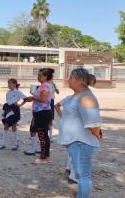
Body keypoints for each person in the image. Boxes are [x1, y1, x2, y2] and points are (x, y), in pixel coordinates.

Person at [58, 68, 101, 198]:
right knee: (79, 174)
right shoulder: (76, 96)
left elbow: (94, 125)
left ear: (80, 81)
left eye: (71, 78)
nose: (68, 80)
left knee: (83, 176)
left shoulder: (86, 98)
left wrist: (96, 134)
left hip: (81, 143)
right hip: (75, 142)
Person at [25, 68, 53, 164]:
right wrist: (32, 98)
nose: (38, 77)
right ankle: (45, 156)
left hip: (42, 113)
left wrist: (33, 97)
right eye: (38, 75)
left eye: (40, 76)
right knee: (43, 135)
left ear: (45, 77)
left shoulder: (45, 86)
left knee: (42, 135)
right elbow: (39, 98)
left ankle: (44, 158)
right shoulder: (43, 85)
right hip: (41, 113)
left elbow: (43, 99)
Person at [0, 78, 28, 151]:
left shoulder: (17, 92)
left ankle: (14, 144)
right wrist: (4, 112)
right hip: (8, 109)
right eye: (8, 83)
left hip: (14, 110)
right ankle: (3, 143)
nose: (8, 85)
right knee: (6, 125)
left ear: (14, 84)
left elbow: (26, 98)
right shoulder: (8, 92)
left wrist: (19, 105)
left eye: (10, 83)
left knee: (13, 126)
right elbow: (8, 102)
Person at [55, 98, 78, 184]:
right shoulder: (81, 98)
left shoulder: (68, 97)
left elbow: (56, 105)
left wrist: (62, 117)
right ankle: (73, 176)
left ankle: (68, 169)